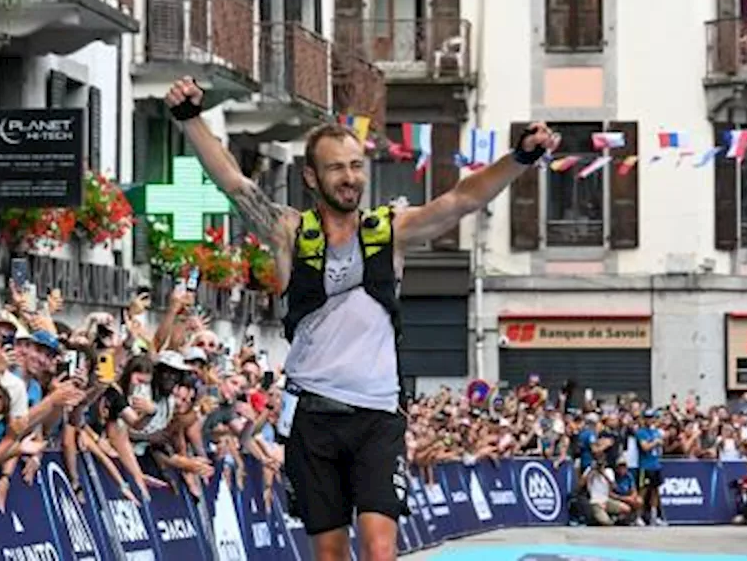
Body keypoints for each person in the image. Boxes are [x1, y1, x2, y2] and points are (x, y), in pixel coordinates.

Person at [163, 75, 558, 561]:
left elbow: (461, 200)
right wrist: (190, 118)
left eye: (356, 166)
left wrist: (519, 158)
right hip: (313, 415)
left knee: (378, 547)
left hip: (377, 416)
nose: (350, 177)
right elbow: (234, 183)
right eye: (336, 169)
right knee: (329, 554)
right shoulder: (291, 233)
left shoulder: (390, 232)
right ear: (312, 178)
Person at [635, 409, 666, 526]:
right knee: (643, 491)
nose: (649, 420)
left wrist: (660, 442)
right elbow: (645, 447)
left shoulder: (656, 432)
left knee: (655, 491)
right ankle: (638, 516)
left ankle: (654, 516)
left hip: (656, 465)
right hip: (645, 466)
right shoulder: (641, 432)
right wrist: (655, 442)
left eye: (651, 417)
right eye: (647, 418)